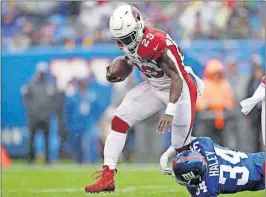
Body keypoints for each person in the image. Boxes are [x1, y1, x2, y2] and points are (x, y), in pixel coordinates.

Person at [84, 5, 204, 193]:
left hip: (180, 90)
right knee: (119, 121)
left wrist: (170, 111)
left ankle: (208, 175)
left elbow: (177, 77)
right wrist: (122, 68)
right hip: (154, 85)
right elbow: (134, 58)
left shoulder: (157, 41)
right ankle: (107, 177)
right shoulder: (128, 40)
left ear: (139, 26)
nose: (125, 43)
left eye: (128, 38)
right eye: (120, 39)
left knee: (182, 149)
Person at [170, 137, 265, 197]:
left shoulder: (209, 188)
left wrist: (165, 156)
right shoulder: (203, 145)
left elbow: (181, 139)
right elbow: (185, 138)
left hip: (260, 174)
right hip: (260, 159)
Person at [22, 62, 57, 164]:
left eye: (43, 72)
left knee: (47, 139)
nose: (42, 74)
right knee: (31, 139)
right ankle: (30, 159)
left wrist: (49, 111)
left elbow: (54, 100)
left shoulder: (49, 85)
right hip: (34, 117)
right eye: (41, 72)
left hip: (45, 117)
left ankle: (47, 159)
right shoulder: (31, 84)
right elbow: (26, 99)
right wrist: (32, 111)